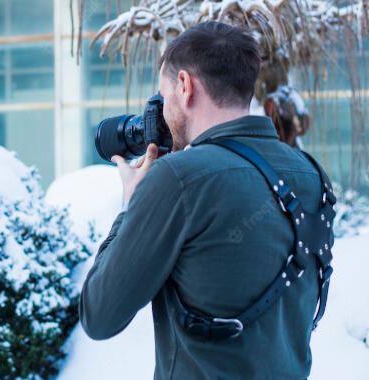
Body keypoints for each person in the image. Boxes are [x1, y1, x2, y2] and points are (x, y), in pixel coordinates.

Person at [79, 21, 335, 379]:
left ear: (184, 86)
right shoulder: (312, 175)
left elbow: (99, 315)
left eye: (163, 96)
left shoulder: (178, 179)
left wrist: (133, 203)